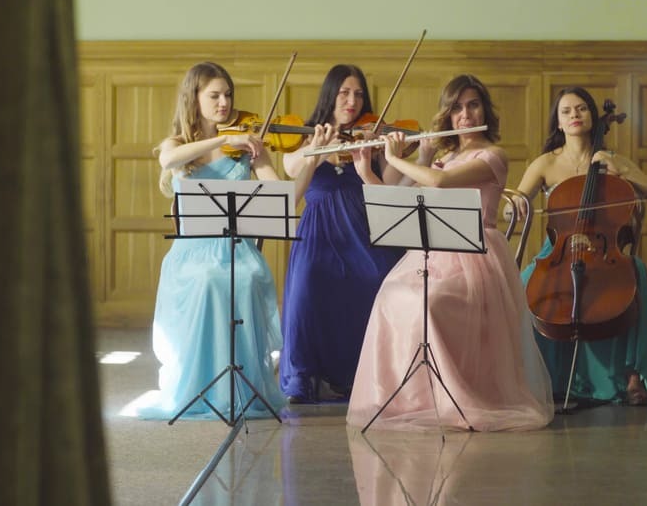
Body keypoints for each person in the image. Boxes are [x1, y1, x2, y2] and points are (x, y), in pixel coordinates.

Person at [346, 74, 554, 432]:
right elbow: (397, 201)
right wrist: (368, 171)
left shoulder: (493, 156)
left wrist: (397, 156)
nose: (465, 114)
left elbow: (438, 183)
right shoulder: (442, 156)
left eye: (473, 105)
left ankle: (451, 396)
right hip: (432, 253)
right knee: (391, 297)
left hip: (476, 256)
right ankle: (412, 398)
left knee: (429, 303)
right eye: (456, 107)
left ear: (484, 109)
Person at [135, 61, 286, 420]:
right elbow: (169, 159)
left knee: (245, 277)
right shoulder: (179, 144)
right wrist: (222, 138)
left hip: (236, 249)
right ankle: (201, 386)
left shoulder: (246, 146)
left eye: (228, 95)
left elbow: (281, 194)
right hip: (192, 252)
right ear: (194, 98)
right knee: (208, 279)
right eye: (214, 95)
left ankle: (242, 385)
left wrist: (260, 155)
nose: (224, 102)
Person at [516, 86, 647, 406]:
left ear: (592, 116)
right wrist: (515, 205)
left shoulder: (612, 160)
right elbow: (516, 201)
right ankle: (538, 378)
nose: (574, 115)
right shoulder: (545, 163)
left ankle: (632, 374)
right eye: (566, 111)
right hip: (558, 251)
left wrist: (625, 171)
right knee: (524, 282)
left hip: (603, 250)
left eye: (581, 108)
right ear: (558, 123)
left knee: (637, 271)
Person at [278, 65, 405, 404]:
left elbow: (390, 188)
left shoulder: (372, 137)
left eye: (359, 94)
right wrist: (317, 150)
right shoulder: (310, 136)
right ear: (330, 95)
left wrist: (390, 152)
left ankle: (358, 374)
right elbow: (290, 171)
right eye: (345, 92)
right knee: (307, 286)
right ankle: (303, 375)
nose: (352, 100)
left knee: (378, 278)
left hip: (363, 229)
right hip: (318, 230)